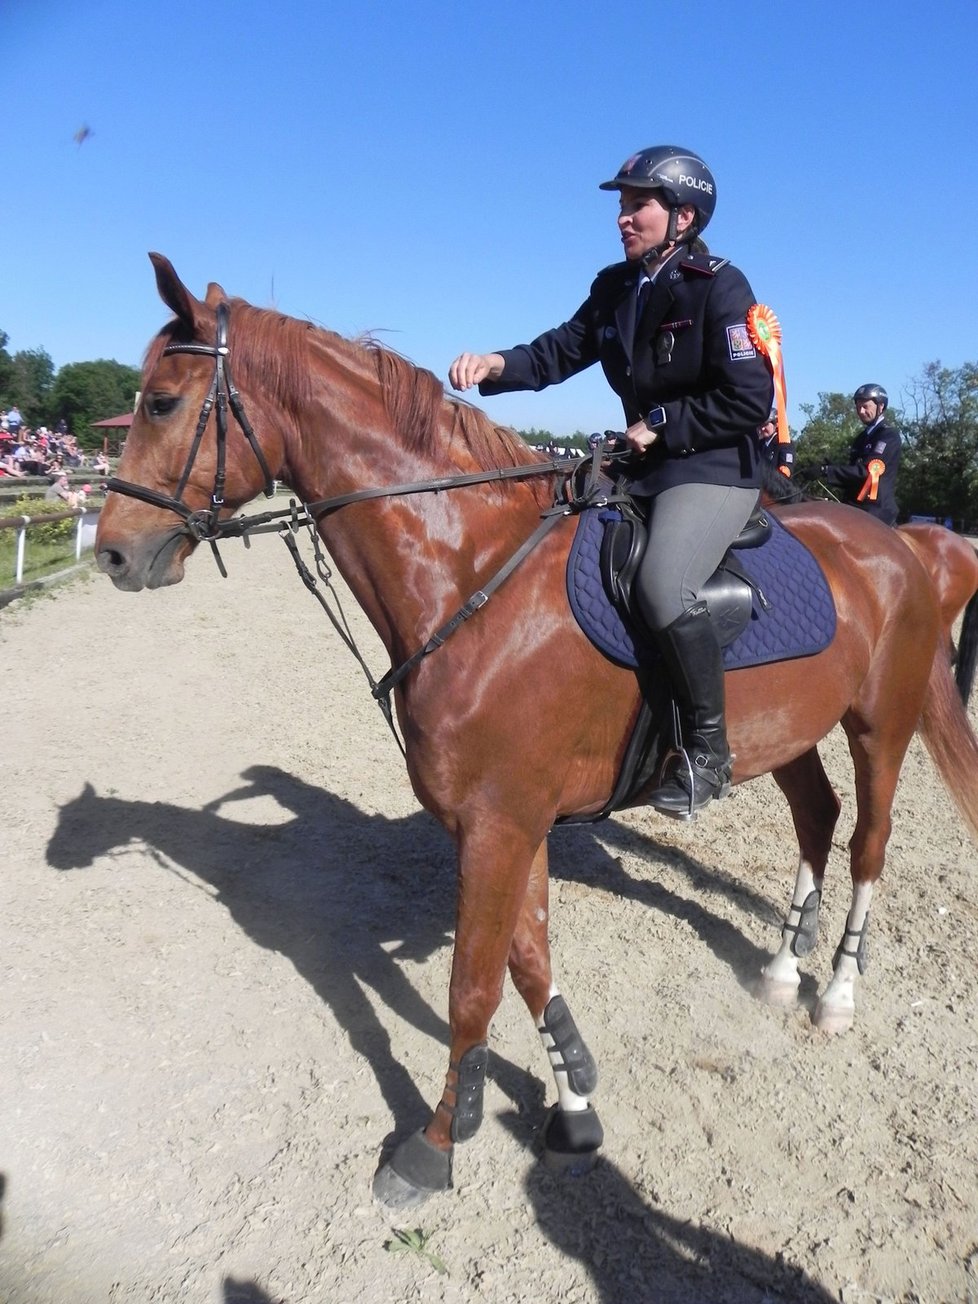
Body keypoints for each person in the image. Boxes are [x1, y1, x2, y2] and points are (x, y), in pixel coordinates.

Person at [449, 145, 773, 817]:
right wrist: (494, 365)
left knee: (663, 582)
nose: (623, 218)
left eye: (637, 205)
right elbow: (557, 351)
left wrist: (662, 422)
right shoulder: (615, 287)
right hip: (643, 468)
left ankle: (709, 754)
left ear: (683, 216)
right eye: (621, 207)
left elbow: (750, 400)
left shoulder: (721, 286)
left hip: (712, 466)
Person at [804, 384, 901, 525]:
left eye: (865, 406)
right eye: (858, 407)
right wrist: (828, 468)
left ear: (880, 406)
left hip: (875, 509)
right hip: (854, 506)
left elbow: (866, 473)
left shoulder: (888, 436)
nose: (861, 411)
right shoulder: (861, 438)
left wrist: (826, 471)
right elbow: (854, 477)